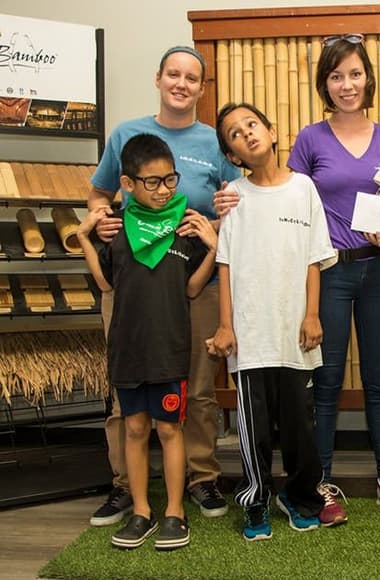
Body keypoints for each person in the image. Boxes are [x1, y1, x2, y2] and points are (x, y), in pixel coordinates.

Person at [215, 33, 380, 524]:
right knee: (325, 382)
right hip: (329, 274)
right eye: (336, 76)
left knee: (378, 380)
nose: (346, 84)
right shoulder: (310, 138)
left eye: (354, 74)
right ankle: (321, 482)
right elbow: (285, 201)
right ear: (324, 85)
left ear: (368, 78)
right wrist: (225, 204)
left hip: (379, 271)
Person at [87, 46, 240, 527]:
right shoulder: (127, 133)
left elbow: (237, 206)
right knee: (123, 388)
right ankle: (122, 487)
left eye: (191, 78)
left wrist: (212, 227)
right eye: (173, 74)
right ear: (158, 79)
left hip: (191, 277)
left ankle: (200, 477)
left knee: (195, 387)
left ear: (201, 87)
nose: (181, 84)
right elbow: (99, 195)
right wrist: (98, 223)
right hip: (129, 279)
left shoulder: (216, 142)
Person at [77, 134, 218, 550]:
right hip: (127, 351)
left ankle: (175, 512)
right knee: (135, 429)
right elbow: (105, 283)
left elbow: (193, 290)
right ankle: (141, 511)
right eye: (152, 182)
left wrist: (212, 246)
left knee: (170, 430)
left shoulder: (184, 228)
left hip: (170, 351)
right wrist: (85, 240)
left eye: (169, 180)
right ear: (127, 183)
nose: (163, 190)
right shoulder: (117, 232)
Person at [208, 102, 335, 538]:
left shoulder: (304, 189)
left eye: (252, 125)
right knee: (254, 430)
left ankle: (300, 497)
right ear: (232, 154)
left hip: (295, 333)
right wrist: (226, 326)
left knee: (301, 425)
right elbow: (224, 265)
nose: (246, 134)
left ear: (272, 131)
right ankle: (256, 502)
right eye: (234, 134)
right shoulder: (233, 199)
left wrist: (312, 314)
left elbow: (315, 260)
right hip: (250, 337)